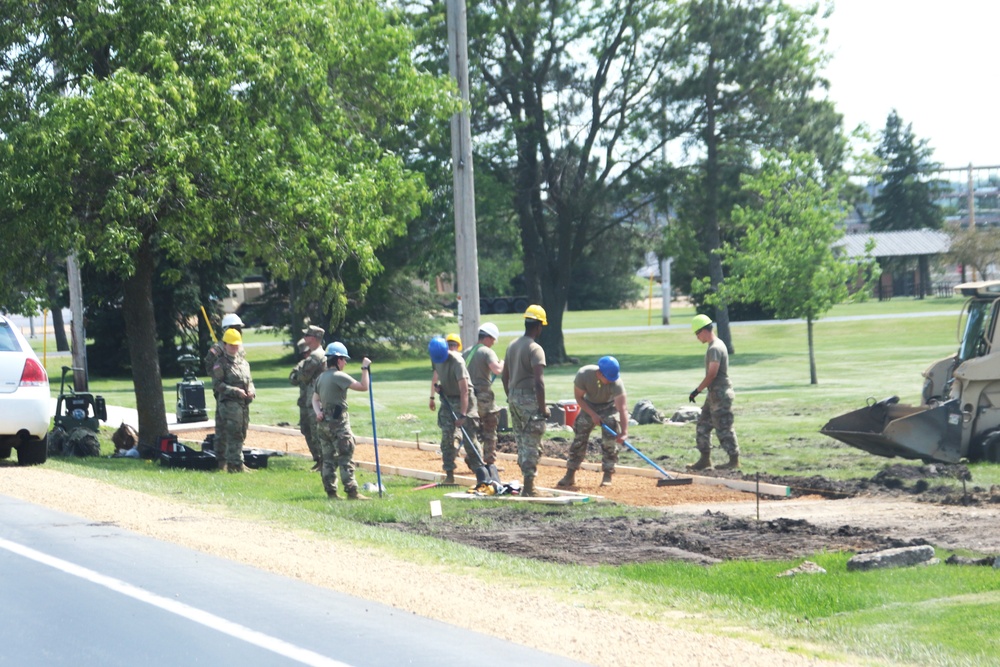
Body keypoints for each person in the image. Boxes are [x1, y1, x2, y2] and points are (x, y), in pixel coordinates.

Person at [556, 356, 628, 488]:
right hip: (588, 406)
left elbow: (622, 409)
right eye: (608, 378)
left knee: (610, 441)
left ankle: (607, 474)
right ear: (599, 373)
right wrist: (593, 414)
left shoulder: (616, 382)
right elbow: (579, 398)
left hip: (609, 407)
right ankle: (570, 474)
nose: (611, 381)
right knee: (579, 439)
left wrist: (624, 432)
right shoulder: (584, 374)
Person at [312, 342, 371, 500]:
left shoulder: (321, 377)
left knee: (328, 459)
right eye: (344, 359)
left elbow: (314, 399)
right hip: (338, 422)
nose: (345, 363)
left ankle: (331, 492)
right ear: (338, 360)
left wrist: (318, 413)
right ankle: (352, 492)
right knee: (346, 455)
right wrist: (364, 368)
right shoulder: (339, 376)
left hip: (324, 422)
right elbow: (363, 386)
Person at [502, 305, 549, 496]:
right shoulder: (535, 349)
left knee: (521, 440)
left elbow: (505, 376)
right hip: (529, 398)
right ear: (538, 326)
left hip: (513, 396)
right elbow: (539, 383)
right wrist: (543, 407)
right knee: (531, 442)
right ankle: (529, 488)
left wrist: (511, 396)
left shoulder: (512, 345)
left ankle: (527, 483)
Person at [687, 314, 740, 471]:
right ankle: (705, 460)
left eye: (697, 334)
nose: (697, 338)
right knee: (702, 425)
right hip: (713, 394)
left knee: (723, 427)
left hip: (720, 394)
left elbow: (712, 374)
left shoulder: (715, 348)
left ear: (704, 330)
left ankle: (733, 460)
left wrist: (697, 390)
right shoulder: (715, 345)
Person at [429, 336, 478, 484]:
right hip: (447, 398)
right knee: (447, 438)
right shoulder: (435, 358)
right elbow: (437, 377)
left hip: (465, 399)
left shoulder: (458, 361)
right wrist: (436, 391)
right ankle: (449, 474)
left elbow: (464, 391)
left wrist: (463, 415)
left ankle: (480, 472)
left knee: (470, 437)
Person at [211, 327, 256, 473]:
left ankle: (237, 462)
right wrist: (235, 391)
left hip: (243, 404)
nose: (234, 347)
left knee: (242, 431)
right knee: (233, 432)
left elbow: (250, 381)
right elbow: (217, 385)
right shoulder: (220, 364)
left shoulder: (244, 363)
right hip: (229, 403)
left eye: (236, 344)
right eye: (231, 345)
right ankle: (234, 464)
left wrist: (252, 391)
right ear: (225, 345)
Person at [463, 322, 504, 465]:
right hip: (484, 397)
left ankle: (472, 457)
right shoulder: (487, 352)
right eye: (493, 340)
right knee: (490, 428)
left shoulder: (467, 352)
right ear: (488, 337)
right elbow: (497, 370)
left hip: (468, 397)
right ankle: (489, 461)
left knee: (473, 429)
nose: (493, 343)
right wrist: (503, 364)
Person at [289, 326, 327, 471]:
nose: (304, 336)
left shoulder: (315, 356)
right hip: (309, 399)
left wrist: (297, 370)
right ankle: (319, 460)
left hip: (315, 400)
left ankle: (323, 461)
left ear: (313, 338)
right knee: (308, 430)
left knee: (316, 431)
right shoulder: (314, 355)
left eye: (307, 335)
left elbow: (301, 376)